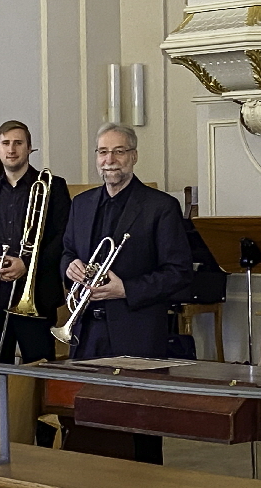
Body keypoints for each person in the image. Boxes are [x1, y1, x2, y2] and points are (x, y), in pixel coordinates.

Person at [61, 122, 193, 463]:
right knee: (90, 421)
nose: (110, 160)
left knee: (140, 426)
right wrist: (70, 266)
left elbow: (178, 273)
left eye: (119, 152)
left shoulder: (160, 206)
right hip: (88, 331)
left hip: (136, 331)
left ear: (133, 156)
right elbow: (66, 251)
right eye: (103, 152)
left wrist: (126, 289)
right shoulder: (82, 204)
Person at [0, 120, 71, 365]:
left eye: (18, 143)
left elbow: (63, 237)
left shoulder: (53, 186)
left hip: (36, 293)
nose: (11, 149)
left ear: (29, 148)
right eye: (6, 143)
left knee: (39, 370)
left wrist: (27, 264)